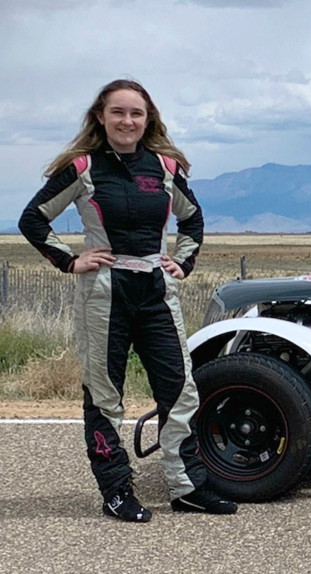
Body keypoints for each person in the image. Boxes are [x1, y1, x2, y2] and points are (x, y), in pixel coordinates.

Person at [18, 79, 237, 522]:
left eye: (136, 113)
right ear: (100, 116)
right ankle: (116, 490)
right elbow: (32, 219)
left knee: (180, 390)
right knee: (105, 397)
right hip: (103, 295)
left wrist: (182, 263)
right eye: (118, 112)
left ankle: (187, 487)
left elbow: (192, 220)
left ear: (148, 119)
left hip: (157, 292)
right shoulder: (82, 167)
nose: (127, 121)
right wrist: (70, 261)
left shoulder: (165, 168)